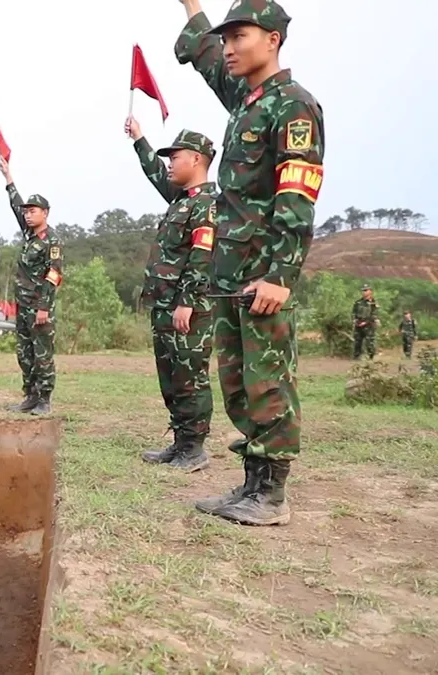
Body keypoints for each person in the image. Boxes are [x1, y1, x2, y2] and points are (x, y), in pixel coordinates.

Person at [175, 0, 325, 526]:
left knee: (268, 380)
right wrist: (190, 4)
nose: (230, 48)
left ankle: (273, 495)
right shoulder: (248, 100)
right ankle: (251, 487)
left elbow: (297, 196)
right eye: (227, 38)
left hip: (264, 272)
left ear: (273, 40)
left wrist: (281, 277)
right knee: (238, 381)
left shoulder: (293, 107)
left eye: (241, 37)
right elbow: (207, 58)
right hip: (230, 273)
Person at [125, 118, 217, 472]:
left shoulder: (206, 203)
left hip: (187, 308)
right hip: (165, 305)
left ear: (195, 159)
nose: (168, 164)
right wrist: (139, 139)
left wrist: (187, 302)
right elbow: (154, 173)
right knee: (171, 375)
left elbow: (202, 256)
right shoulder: (182, 200)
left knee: (190, 375)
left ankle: (194, 449)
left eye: (174, 157)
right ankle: (180, 443)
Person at [0, 158, 63, 415]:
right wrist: (8, 178)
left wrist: (43, 307)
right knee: (24, 354)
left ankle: (44, 399)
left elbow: (54, 274)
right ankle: (30, 396)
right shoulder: (28, 236)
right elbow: (15, 204)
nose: (27, 214)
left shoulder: (52, 241)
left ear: (45, 213)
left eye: (33, 211)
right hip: (23, 306)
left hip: (39, 307)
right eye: (26, 211)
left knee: (42, 353)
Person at [352, 284, 379, 360]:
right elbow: (353, 312)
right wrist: (354, 320)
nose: (364, 292)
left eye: (366, 290)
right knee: (357, 342)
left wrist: (366, 322)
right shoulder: (358, 302)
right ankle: (356, 357)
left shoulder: (373, 303)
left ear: (370, 291)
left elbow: (374, 314)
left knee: (369, 342)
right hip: (358, 324)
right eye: (363, 290)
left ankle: (371, 357)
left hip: (369, 325)